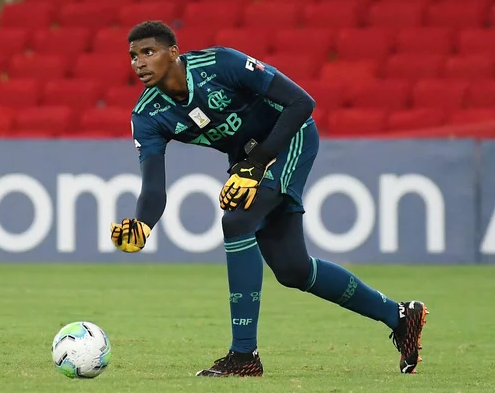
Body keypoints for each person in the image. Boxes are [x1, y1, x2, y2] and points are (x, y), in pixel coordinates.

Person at [110, 20, 428, 377]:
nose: (139, 62)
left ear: (173, 52)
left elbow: (301, 103)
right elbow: (153, 187)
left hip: (290, 139)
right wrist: (142, 224)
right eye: (133, 56)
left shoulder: (221, 64)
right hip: (248, 162)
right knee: (293, 269)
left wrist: (256, 165)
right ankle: (399, 316)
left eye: (148, 52)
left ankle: (244, 356)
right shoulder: (148, 115)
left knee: (237, 220)